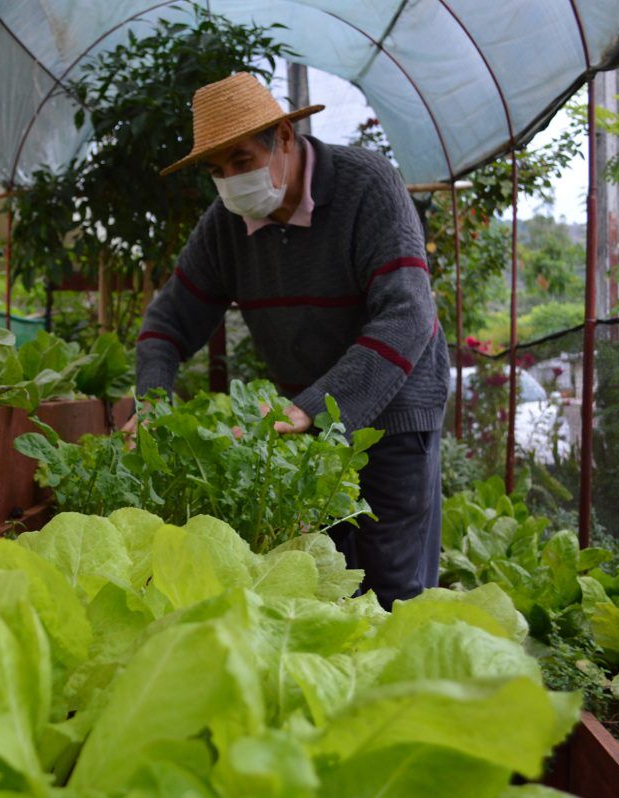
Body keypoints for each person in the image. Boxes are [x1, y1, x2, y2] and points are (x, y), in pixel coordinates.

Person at [134, 72, 449, 609]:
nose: (230, 182)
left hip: (394, 407)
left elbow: (407, 314)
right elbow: (166, 325)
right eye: (216, 171)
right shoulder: (227, 225)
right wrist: (150, 404)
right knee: (326, 579)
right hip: (306, 421)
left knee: (393, 586)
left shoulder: (365, 184)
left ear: (282, 137)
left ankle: (414, 689)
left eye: (239, 162)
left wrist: (312, 410)